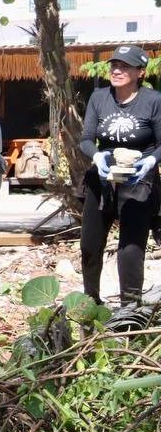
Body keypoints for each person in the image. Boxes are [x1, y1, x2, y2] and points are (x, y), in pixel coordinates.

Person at [79, 45, 161, 304]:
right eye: (114, 65)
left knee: (130, 249)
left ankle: (130, 310)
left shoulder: (153, 101)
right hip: (103, 177)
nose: (117, 70)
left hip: (138, 180)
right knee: (90, 245)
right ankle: (90, 304)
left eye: (125, 66)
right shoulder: (99, 97)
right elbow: (86, 139)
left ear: (140, 72)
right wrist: (96, 156)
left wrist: (150, 161)